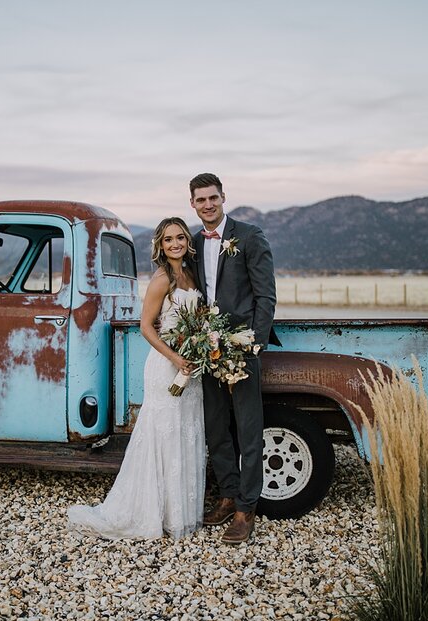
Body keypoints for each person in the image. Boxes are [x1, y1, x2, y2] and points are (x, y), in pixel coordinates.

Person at [67, 217, 206, 540]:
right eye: (169, 239)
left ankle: (180, 512)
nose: (175, 244)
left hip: (191, 366)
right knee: (163, 434)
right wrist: (175, 358)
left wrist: (197, 347)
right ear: (160, 245)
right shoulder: (161, 279)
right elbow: (146, 326)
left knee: (186, 432)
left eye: (180, 238)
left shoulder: (191, 274)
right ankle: (149, 512)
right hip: (167, 363)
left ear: (187, 241)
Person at [190, 173, 278, 545]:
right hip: (205, 346)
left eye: (213, 198)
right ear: (192, 204)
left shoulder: (249, 235)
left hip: (242, 346)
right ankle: (227, 495)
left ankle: (246, 509)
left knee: (247, 427)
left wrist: (255, 341)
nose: (208, 204)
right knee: (215, 425)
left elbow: (265, 295)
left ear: (223, 197)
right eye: (200, 200)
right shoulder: (192, 243)